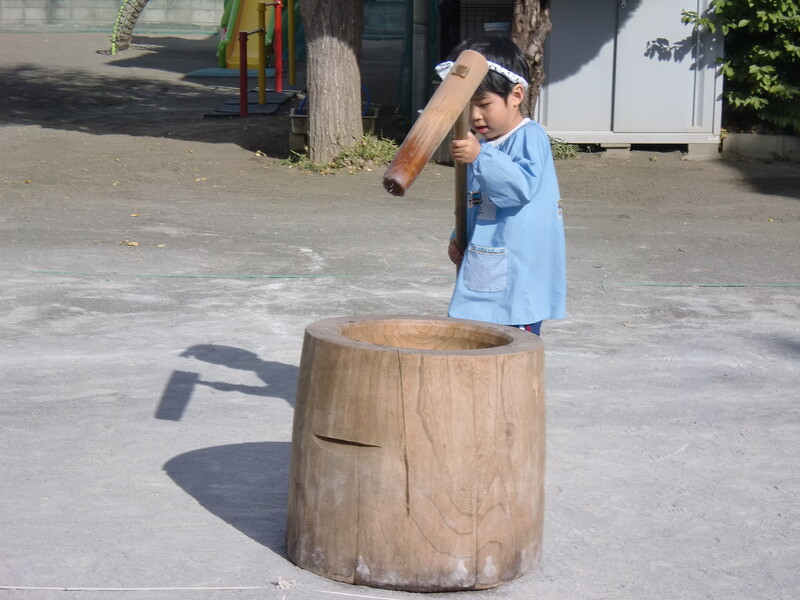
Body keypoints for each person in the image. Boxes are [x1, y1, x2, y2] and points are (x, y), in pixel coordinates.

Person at [440, 34, 566, 336]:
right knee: (478, 333)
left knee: (512, 339)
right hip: (486, 258)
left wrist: (479, 156)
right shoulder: (485, 144)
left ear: (516, 95)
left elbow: (519, 188)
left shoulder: (529, 136)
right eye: (468, 105)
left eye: (484, 104)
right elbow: (475, 199)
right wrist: (459, 235)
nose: (474, 116)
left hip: (518, 271)